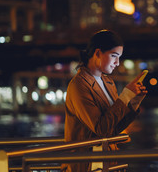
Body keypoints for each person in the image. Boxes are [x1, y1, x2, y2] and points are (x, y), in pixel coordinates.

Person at [61, 29, 148, 172]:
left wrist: (133, 102)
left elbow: (112, 128)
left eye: (119, 57)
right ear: (97, 53)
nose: (117, 63)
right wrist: (125, 95)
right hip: (86, 165)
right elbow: (101, 129)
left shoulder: (108, 82)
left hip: (107, 161)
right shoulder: (79, 85)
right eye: (114, 56)